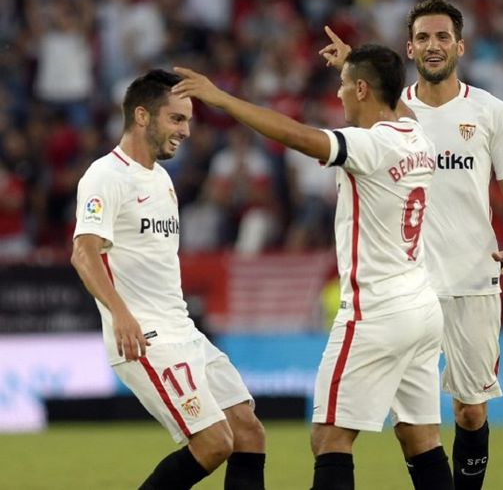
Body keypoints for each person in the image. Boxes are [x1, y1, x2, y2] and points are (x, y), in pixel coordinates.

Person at [172, 43, 454, 490]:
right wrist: (355, 66)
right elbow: (396, 102)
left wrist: (222, 99)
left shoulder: (371, 144)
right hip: (421, 305)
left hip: (375, 311)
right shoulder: (416, 135)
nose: (338, 96)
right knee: (420, 436)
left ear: (362, 89)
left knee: (329, 437)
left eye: (344, 86)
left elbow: (297, 135)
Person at [320, 0, 503, 489]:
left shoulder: (490, 111)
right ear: (409, 48)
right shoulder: (395, 112)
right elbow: (366, 91)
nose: (432, 46)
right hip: (408, 290)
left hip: (472, 281)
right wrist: (354, 63)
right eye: (422, 38)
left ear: (460, 45)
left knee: (471, 411)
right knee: (412, 423)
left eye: (442, 37)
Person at [70, 69, 266, 490]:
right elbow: (83, 252)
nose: (187, 131)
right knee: (214, 443)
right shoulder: (106, 176)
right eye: (177, 119)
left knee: (249, 433)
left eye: (189, 121)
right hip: (145, 336)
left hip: (183, 330)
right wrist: (120, 315)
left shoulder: (161, 179)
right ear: (142, 116)